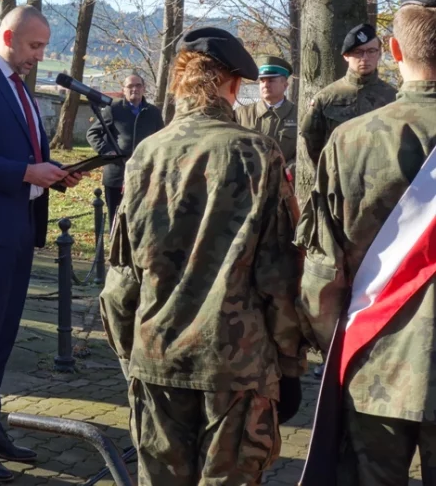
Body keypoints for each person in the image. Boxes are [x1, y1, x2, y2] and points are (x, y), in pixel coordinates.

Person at [99, 27, 306, 486]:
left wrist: (129, 356)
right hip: (236, 368)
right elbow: (281, 274)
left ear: (180, 83)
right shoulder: (257, 153)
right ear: (232, 84)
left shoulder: (145, 156)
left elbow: (121, 277)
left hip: (158, 358)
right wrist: (289, 364)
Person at [296, 0, 436, 485]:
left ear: (394, 50)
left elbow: (322, 274)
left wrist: (326, 345)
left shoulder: (351, 143)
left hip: (375, 362)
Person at [0, 5, 86, 482]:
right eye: (33, 45)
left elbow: (24, 152)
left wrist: (55, 175)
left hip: (21, 222)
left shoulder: (17, 86)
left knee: (2, 336)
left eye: (44, 46)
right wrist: (28, 172)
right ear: (7, 35)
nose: (39, 56)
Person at [300, 23, 398, 166]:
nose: (365, 58)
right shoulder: (327, 98)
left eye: (371, 51)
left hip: (382, 179)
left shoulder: (393, 97)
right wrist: (327, 178)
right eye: (358, 52)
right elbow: (310, 142)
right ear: (346, 55)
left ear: (379, 54)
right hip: (338, 180)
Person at [86, 73, 164, 230]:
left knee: (140, 222)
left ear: (144, 88)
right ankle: (115, 254)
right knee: (117, 222)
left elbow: (161, 139)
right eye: (130, 86)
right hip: (116, 175)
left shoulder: (153, 112)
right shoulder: (113, 109)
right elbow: (92, 134)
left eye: (138, 85)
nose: (134, 89)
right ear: (123, 89)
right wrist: (107, 152)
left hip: (144, 176)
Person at [235, 55, 298, 179]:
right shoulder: (241, 114)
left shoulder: (298, 115)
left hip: (284, 186)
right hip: (247, 188)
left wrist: (284, 173)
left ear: (285, 85)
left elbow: (304, 154)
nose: (265, 85)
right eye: (262, 81)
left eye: (271, 80)